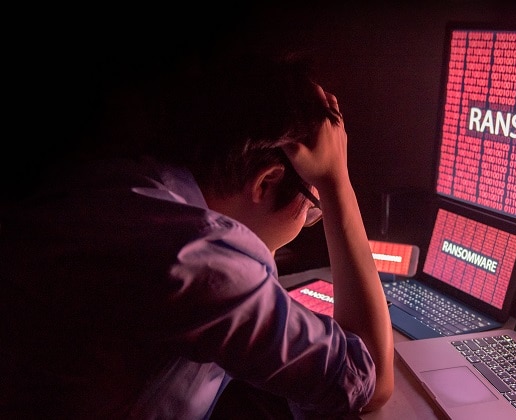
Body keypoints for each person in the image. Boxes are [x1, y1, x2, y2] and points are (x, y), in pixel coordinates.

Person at [0, 42, 394, 418]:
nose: (309, 218)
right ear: (265, 183)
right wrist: (337, 184)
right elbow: (369, 379)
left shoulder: (121, 184)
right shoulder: (201, 258)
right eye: (312, 207)